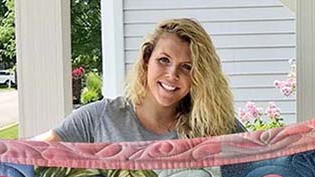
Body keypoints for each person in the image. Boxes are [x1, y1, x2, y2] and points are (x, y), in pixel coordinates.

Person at [37, 18, 245, 143]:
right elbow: (31, 155)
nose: (172, 74)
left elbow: (259, 166)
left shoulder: (215, 124)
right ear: (147, 60)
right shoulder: (100, 119)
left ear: (200, 76)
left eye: (187, 67)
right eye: (164, 60)